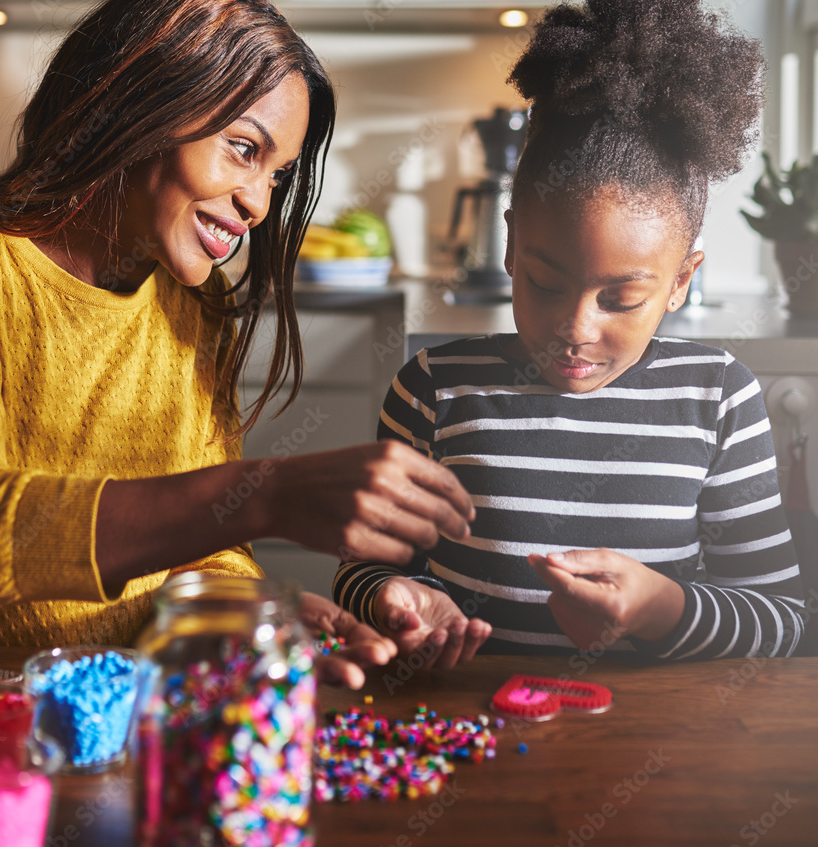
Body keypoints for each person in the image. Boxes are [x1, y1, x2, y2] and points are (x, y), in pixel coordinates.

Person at [0, 0, 477, 688]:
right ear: (142, 105)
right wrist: (267, 491)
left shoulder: (197, 310)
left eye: (276, 175)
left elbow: (203, 561)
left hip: (104, 714)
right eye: (245, 149)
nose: (258, 201)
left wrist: (257, 615)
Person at [334, 0, 807, 665]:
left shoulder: (720, 399)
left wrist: (660, 608)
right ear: (510, 246)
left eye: (620, 299)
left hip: (661, 749)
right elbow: (359, 570)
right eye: (547, 284)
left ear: (680, 281)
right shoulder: (433, 390)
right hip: (482, 738)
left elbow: (781, 621)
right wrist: (397, 599)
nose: (574, 328)